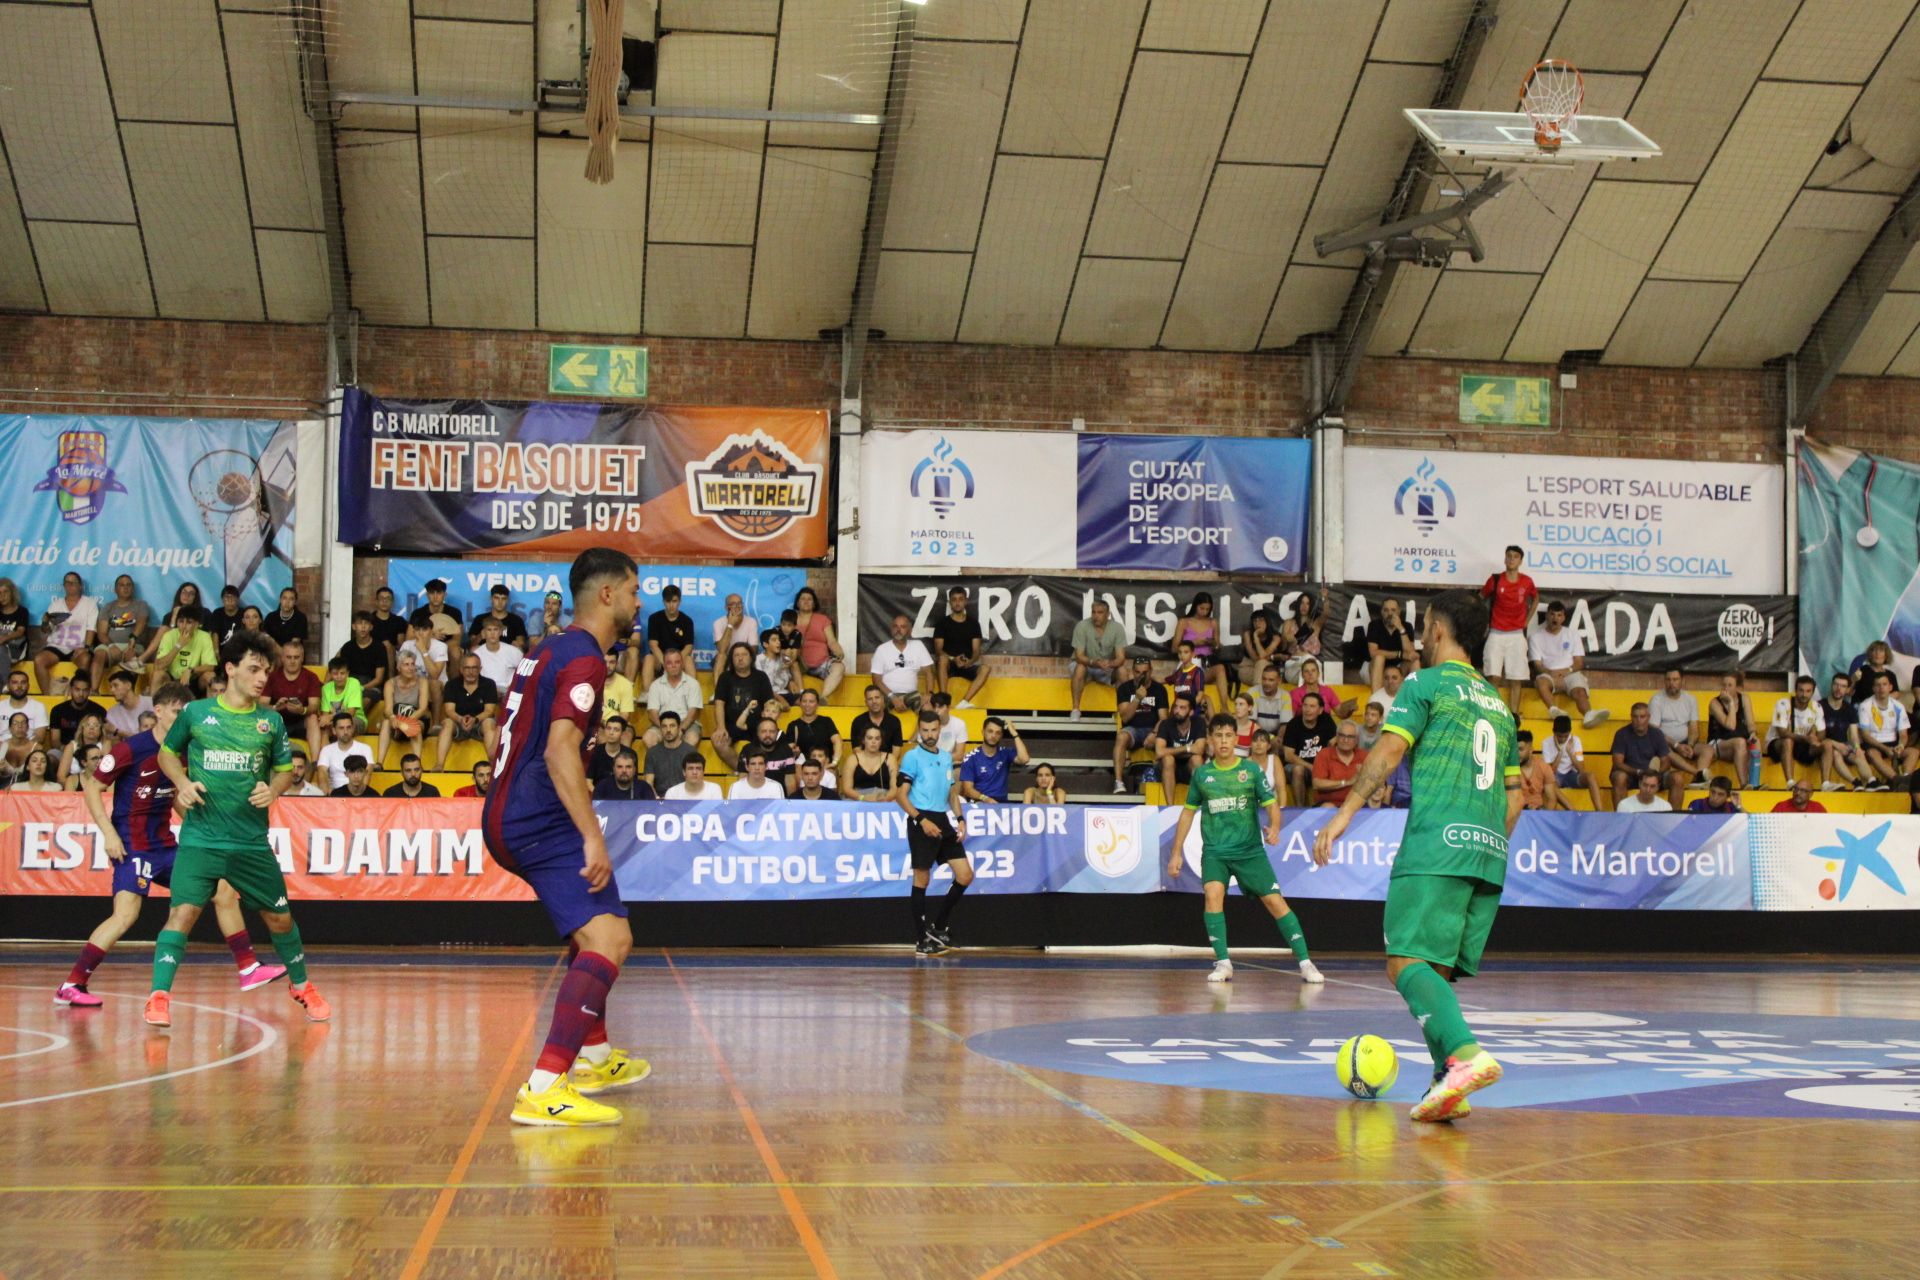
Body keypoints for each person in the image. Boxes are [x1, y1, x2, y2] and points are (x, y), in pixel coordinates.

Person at [1313, 588, 1518, 1123]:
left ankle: (1467, 1055)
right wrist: (1488, 842)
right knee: (1435, 970)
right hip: (1488, 850)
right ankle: (1447, 1082)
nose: (1421, 636)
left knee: (1403, 961)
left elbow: (1389, 747)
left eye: (1425, 626)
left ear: (1438, 632)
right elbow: (1518, 794)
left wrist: (1343, 813)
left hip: (1436, 843)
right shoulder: (1500, 705)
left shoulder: (1424, 684)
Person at [483, 547, 651, 1127]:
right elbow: (559, 749)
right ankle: (545, 1085)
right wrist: (591, 837)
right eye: (633, 589)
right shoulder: (585, 659)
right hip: (535, 818)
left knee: (595, 929)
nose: (638, 600)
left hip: (514, 808)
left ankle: (597, 1057)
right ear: (607, 595)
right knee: (611, 940)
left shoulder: (549, 648)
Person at [58, 682, 286, 1007]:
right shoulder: (131, 749)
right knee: (125, 916)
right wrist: (108, 834)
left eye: (186, 713)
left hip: (165, 847)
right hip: (133, 846)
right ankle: (73, 983)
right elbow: (93, 786)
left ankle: (248, 967)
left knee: (222, 889)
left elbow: (175, 798)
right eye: (178, 712)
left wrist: (199, 819)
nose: (183, 718)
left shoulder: (180, 751)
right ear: (160, 712)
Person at [143, 632, 329, 1028]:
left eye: (266, 670)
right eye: (254, 669)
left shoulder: (271, 721)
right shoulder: (196, 714)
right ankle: (159, 996)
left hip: (249, 841)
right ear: (230, 669)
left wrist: (273, 789)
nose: (263, 678)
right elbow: (166, 753)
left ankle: (301, 985)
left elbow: (282, 771)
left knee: (280, 920)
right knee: (182, 914)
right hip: (201, 838)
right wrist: (182, 783)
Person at [1169, 713, 1323, 986]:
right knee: (1212, 894)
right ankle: (1223, 963)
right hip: (1216, 851)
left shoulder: (1250, 770)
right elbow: (1187, 814)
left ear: (1236, 738)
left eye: (1229, 735)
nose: (1224, 741)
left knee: (1276, 903)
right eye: (1219, 735)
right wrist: (1176, 852)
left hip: (1250, 851)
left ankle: (1305, 962)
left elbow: (1271, 804)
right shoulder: (1203, 774)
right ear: (1212, 739)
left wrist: (1275, 827)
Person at [894, 710, 972, 956]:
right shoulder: (911, 757)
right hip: (921, 818)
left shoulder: (947, 757)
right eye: (925, 730)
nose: (929, 735)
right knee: (922, 879)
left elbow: (951, 793)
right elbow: (900, 795)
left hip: (942, 818)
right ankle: (920, 939)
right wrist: (921, 820)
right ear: (919, 730)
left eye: (933, 730)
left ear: (940, 730)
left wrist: (960, 818)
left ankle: (938, 927)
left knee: (965, 875)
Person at [1528, 601, 1608, 728]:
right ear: (1547, 616)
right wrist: (1549, 673)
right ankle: (1554, 710)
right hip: (1549, 675)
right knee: (1541, 681)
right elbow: (1537, 664)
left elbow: (1579, 662)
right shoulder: (1535, 637)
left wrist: (1566, 671)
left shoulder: (1572, 635)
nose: (1555, 618)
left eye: (1559, 615)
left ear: (1564, 618)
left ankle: (1588, 715)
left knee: (1579, 691)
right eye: (1552, 614)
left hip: (1569, 673)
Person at [1479, 545, 1537, 713]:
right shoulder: (1495, 580)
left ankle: (1513, 715)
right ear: (1505, 559)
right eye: (1509, 556)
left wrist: (1527, 619)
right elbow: (1481, 598)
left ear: (1520, 561)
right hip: (1496, 633)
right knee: (1493, 676)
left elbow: (1536, 598)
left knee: (1516, 677)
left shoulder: (1527, 581)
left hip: (1517, 635)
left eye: (1515, 556)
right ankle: (1493, 712)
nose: (1511, 559)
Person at [1767, 675, 1839, 790]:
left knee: (1827, 744)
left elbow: (1822, 734)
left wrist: (1814, 737)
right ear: (1795, 690)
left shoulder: (1817, 707)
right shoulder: (1783, 704)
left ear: (1812, 692)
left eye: (1808, 691)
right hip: (1778, 746)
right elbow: (1782, 733)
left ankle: (1826, 784)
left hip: (1802, 746)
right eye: (1801, 690)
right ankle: (1790, 783)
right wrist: (1806, 738)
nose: (1804, 694)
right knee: (1788, 741)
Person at [1109, 657, 1169, 794]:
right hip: (1133, 730)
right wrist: (1137, 699)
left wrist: (1154, 733)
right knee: (1121, 737)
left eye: (1145, 672)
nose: (1141, 675)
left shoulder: (1159, 689)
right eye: (1138, 672)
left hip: (1153, 729)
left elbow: (1164, 719)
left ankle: (1156, 776)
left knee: (1165, 736)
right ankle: (1118, 782)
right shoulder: (1125, 688)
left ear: (1151, 671)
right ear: (1132, 672)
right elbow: (1125, 717)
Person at [1648, 669, 1705, 804]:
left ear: (1682, 681)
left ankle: (1699, 781)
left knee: (1707, 750)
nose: (1671, 683)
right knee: (1665, 750)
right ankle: (1698, 773)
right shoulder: (1656, 700)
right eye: (1668, 680)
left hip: (1685, 742)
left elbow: (1694, 728)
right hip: (1665, 743)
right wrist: (1676, 745)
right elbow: (1655, 731)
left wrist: (1690, 745)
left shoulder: (1691, 699)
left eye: (1675, 680)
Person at [38, 571, 99, 694]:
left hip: (78, 646)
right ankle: (47, 696)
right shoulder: (56, 604)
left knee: (86, 659)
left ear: (80, 585)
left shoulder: (89, 603)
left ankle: (79, 695)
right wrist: (44, 622)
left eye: (73, 582)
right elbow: (46, 630)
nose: (70, 585)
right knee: (39, 660)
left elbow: (91, 628)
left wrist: (86, 648)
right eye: (67, 582)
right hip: (57, 645)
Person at [712, 641, 775, 759]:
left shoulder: (761, 677)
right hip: (731, 725)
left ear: (751, 658)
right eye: (736, 655)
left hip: (757, 726)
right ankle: (742, 769)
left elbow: (769, 703)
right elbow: (719, 704)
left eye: (744, 654)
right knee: (718, 742)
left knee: (770, 740)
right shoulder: (725, 677)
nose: (740, 658)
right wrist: (721, 727)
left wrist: (767, 725)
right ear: (732, 659)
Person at [435, 654, 500, 770]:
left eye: (474, 668)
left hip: (480, 723)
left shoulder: (489, 684)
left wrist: (475, 719)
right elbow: (449, 710)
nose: (471, 672)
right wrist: (460, 719)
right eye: (467, 668)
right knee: (447, 723)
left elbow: (489, 711)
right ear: (461, 669)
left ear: (480, 669)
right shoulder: (451, 685)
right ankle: (439, 765)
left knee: (489, 722)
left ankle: (494, 766)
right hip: (458, 722)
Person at [932, 586, 991, 710]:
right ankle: (944, 700)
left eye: (960, 599)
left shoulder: (973, 623)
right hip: (948, 663)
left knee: (985, 668)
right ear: (950, 603)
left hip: (966, 664)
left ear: (966, 601)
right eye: (954, 599)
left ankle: (964, 702)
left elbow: (976, 651)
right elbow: (938, 650)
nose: (957, 602)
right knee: (942, 659)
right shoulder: (942, 623)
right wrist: (953, 659)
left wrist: (970, 661)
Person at [1855, 670, 1917, 787]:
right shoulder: (1865, 706)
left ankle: (1906, 778)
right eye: (1878, 685)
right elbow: (1865, 735)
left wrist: (1901, 745)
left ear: (1890, 687)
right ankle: (1896, 780)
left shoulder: (1898, 706)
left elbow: (1903, 734)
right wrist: (1884, 748)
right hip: (1874, 743)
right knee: (1872, 753)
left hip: (1893, 743)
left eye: (1884, 684)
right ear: (1873, 688)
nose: (1881, 688)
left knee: (1913, 752)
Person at [1174, 592, 1230, 714]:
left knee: (1220, 668)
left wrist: (1213, 643)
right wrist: (1194, 643)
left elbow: (1217, 646)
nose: (1204, 612)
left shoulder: (1213, 622)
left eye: (1207, 609)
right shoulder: (1184, 622)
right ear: (1195, 606)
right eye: (1202, 608)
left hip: (1206, 663)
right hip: (1189, 664)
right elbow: (1174, 647)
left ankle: (1225, 707)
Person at [264, 637, 322, 755]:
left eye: (296, 657)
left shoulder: (311, 677)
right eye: (288, 657)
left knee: (313, 718)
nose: (292, 661)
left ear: (302, 658)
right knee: (263, 719)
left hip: (301, 721)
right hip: (277, 721)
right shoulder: (272, 677)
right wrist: (275, 707)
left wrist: (302, 710)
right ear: (282, 658)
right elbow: (261, 705)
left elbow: (314, 706)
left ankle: (315, 764)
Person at [1069, 600, 1126, 720]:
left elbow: (1121, 658)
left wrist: (1109, 663)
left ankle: (1123, 710)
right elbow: (1079, 656)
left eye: (1100, 612)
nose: (1096, 616)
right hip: (1086, 666)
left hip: (1106, 668)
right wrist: (1094, 662)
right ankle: (1075, 710)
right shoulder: (1082, 626)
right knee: (1080, 667)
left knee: (1122, 671)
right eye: (1093, 612)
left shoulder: (1117, 628)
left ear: (1108, 614)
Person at [89, 575, 150, 687]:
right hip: (110, 645)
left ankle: (128, 693)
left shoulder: (141, 605)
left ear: (133, 589)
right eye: (121, 585)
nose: (125, 588)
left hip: (133, 645)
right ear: (115, 589)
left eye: (128, 585)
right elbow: (101, 633)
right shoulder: (108, 607)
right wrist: (111, 645)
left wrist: (132, 640)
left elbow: (141, 623)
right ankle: (94, 691)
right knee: (99, 654)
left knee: (132, 655)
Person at [1609, 704, 1671, 810]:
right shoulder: (1621, 734)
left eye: (1642, 716)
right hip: (1630, 775)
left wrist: (1656, 774)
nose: (1638, 720)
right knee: (1619, 777)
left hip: (1653, 775)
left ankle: (1674, 819)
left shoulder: (1657, 734)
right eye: (1635, 716)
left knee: (1677, 779)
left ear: (1648, 717)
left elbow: (1666, 761)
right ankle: (1620, 819)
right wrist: (1638, 772)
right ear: (1631, 717)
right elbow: (1618, 763)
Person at [1281, 692, 1337, 807]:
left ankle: (1328, 807)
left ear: (1320, 710)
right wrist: (1311, 767)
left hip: (1320, 765)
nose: (1307, 709)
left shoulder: (1326, 720)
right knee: (1298, 770)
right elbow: (1288, 756)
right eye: (1305, 705)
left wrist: (1322, 765)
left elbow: (1334, 743)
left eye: (1312, 706)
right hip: (1296, 766)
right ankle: (1299, 810)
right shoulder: (1293, 724)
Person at [642, 648, 705, 748]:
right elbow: (652, 714)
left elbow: (693, 714)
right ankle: (662, 764)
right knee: (648, 738)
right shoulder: (655, 685)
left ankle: (682, 764)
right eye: (669, 663)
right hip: (662, 724)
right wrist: (664, 728)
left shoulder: (693, 684)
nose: (674, 666)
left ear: (682, 664)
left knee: (692, 738)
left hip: (687, 725)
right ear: (664, 665)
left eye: (677, 662)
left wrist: (680, 729)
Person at [1702, 672, 1754, 792]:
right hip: (1717, 744)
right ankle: (1744, 784)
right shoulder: (1714, 703)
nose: (1726, 688)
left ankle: (1754, 783)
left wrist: (1753, 734)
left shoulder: (1744, 699)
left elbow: (1751, 724)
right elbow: (1730, 725)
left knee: (1755, 744)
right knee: (1740, 742)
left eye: (1730, 685)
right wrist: (1730, 703)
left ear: (1738, 688)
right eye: (1724, 685)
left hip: (1736, 744)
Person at [872, 614, 934, 712]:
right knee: (877, 708)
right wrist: (892, 697)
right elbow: (876, 680)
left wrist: (929, 694)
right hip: (888, 695)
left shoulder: (918, 646)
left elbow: (929, 672)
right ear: (891, 629)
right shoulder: (882, 649)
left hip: (912, 695)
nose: (898, 629)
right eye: (895, 626)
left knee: (928, 709)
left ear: (910, 630)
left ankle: (920, 728)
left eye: (903, 627)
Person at [958, 717, 1029, 803]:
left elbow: (1024, 759)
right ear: (983, 732)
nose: (993, 736)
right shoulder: (971, 757)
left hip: (1002, 804)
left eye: (997, 733)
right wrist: (985, 798)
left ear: (1001, 735)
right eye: (990, 731)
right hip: (980, 802)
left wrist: (1014, 734)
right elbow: (968, 790)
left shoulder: (1005, 752)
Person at [792, 586, 846, 699]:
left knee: (839, 668)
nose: (806, 601)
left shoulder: (823, 619)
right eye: (803, 599)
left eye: (809, 599)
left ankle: (822, 698)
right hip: (799, 665)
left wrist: (839, 652)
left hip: (822, 664)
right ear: (797, 603)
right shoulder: (791, 620)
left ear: (814, 603)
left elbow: (832, 641)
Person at [1541, 714, 1605, 810]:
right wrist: (1560, 752)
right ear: (1554, 732)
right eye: (1559, 736)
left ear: (1570, 732)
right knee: (1549, 784)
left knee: (1591, 777)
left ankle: (1600, 812)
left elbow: (1582, 770)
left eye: (1565, 736)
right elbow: (1551, 772)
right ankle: (1572, 810)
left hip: (1572, 774)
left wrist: (1571, 754)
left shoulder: (1575, 740)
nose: (1562, 739)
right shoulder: (1546, 743)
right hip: (1556, 777)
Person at [151, 605, 217, 697]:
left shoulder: (204, 636)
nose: (184, 626)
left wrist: (190, 670)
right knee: (158, 675)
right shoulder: (169, 636)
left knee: (210, 676)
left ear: (197, 624)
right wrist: (179, 645)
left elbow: (210, 667)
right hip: (172, 679)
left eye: (189, 622)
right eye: (181, 622)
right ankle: (153, 710)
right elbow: (159, 666)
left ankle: (212, 710)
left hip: (193, 678)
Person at [782, 689, 842, 784]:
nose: (807, 704)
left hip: (824, 765)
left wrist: (834, 762)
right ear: (800, 703)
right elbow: (789, 749)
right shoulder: (793, 725)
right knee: (795, 773)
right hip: (803, 767)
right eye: (804, 701)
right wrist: (794, 753)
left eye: (811, 701)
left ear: (817, 704)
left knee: (832, 772)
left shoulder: (826, 721)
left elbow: (837, 741)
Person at [1150, 692, 1205, 795]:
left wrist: (1171, 751)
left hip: (1188, 768)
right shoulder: (1165, 724)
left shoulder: (1199, 723)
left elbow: (1200, 749)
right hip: (1166, 769)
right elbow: (1159, 752)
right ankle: (1170, 808)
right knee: (1168, 759)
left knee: (1197, 759)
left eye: (1182, 708)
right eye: (1176, 707)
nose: (1177, 711)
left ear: (1191, 712)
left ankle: (1198, 806)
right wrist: (1187, 748)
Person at [641, 583, 694, 687]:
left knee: (688, 660)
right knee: (648, 658)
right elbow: (653, 644)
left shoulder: (687, 621)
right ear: (663, 602)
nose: (671, 605)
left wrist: (675, 661)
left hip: (679, 658)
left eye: (674, 601)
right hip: (660, 659)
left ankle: (692, 693)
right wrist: (666, 662)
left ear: (679, 601)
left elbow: (689, 646)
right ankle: (647, 693)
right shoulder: (654, 618)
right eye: (668, 601)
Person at [1821, 672, 1868, 785]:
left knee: (1859, 755)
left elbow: (1854, 735)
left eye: (1843, 686)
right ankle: (1855, 782)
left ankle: (1872, 782)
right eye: (1836, 685)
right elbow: (1819, 738)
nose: (1838, 689)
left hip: (1844, 746)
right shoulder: (1820, 706)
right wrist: (1836, 745)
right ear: (1831, 685)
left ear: (1848, 690)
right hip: (1825, 748)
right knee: (1836, 753)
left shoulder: (1850, 709)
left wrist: (1857, 748)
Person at [333, 612, 389, 706]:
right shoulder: (348, 647)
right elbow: (336, 667)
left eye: (366, 623)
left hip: (371, 686)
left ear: (371, 627)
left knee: (365, 700)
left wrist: (361, 687)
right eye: (359, 623)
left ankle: (353, 719)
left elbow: (379, 679)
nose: (363, 627)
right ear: (354, 626)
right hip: (351, 682)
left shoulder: (379, 647)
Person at [1366, 597, 1420, 691]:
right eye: (1386, 610)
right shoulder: (1374, 625)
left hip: (1398, 670)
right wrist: (1400, 654)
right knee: (1379, 657)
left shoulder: (1406, 626)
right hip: (1377, 670)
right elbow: (1373, 653)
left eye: (1393, 610)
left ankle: (1415, 698)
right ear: (1381, 612)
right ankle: (1377, 699)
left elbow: (1410, 653)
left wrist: (1401, 628)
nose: (1390, 613)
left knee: (1415, 661)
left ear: (1399, 611)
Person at [1311, 721, 1368, 808]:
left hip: (1355, 805)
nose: (1345, 740)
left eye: (1350, 737)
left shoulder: (1364, 756)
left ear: (1357, 739)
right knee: (1328, 807)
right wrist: (1347, 782)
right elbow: (1317, 784)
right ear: (1336, 737)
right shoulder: (1324, 754)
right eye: (1342, 735)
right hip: (1328, 804)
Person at [639, 711, 697, 795]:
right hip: (659, 801)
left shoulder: (690, 751)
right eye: (664, 726)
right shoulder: (652, 752)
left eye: (672, 726)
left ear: (679, 727)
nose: (668, 730)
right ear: (660, 729)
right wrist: (658, 800)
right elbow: (649, 783)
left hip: (684, 800)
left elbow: (694, 782)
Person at [316, 711, 375, 791]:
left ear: (353, 728)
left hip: (357, 795)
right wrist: (327, 796)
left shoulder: (365, 749)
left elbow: (366, 775)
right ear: (334, 730)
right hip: (335, 795)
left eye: (348, 727)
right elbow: (322, 774)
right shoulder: (326, 750)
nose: (345, 732)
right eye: (341, 728)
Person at [408, 578, 464, 659]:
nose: (435, 596)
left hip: (446, 647)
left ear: (445, 595)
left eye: (439, 593)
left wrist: (439, 647)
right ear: (427, 595)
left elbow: (457, 639)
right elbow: (409, 638)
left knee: (456, 652)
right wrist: (431, 637)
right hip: (423, 646)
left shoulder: (455, 613)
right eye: (431, 593)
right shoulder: (417, 613)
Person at [466, 583, 529, 652]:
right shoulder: (480, 619)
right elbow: (471, 644)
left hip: (507, 655)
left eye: (503, 599)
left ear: (507, 600)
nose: (500, 602)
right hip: (484, 655)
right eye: (496, 598)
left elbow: (521, 644)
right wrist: (480, 636)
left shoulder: (516, 620)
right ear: (491, 599)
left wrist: (518, 645)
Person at [853, 683, 907, 763]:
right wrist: (869, 766)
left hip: (888, 764)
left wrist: (884, 766)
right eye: (870, 699)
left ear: (883, 699)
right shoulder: (858, 721)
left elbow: (896, 751)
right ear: (866, 702)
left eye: (877, 697)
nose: (874, 701)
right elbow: (857, 749)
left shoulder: (894, 721)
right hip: (865, 765)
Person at [841, 723, 896, 802]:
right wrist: (863, 798)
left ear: (881, 741)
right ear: (863, 740)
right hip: (857, 799)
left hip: (884, 798)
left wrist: (885, 798)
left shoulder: (890, 758)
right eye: (870, 738)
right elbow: (847, 789)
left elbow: (895, 788)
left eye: (877, 739)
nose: (873, 742)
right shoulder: (853, 759)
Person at [754, 628, 801, 715]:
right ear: (765, 644)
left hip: (784, 693)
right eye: (774, 640)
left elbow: (785, 677)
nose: (778, 642)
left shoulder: (782, 658)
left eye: (779, 639)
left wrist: (790, 682)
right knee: (784, 706)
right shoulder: (758, 660)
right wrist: (779, 698)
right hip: (768, 695)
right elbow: (761, 685)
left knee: (804, 702)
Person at [1237, 608, 1285, 694]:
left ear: (1267, 622)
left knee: (1262, 663)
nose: (1257, 623)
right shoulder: (1247, 634)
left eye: (1261, 620)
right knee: (1260, 668)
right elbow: (1254, 657)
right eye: (1255, 621)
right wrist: (1255, 635)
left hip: (1266, 670)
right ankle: (1260, 697)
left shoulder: (1275, 637)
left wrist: (1256, 639)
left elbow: (1263, 656)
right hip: (1248, 668)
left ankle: (1257, 697)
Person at [49, 673, 102, 748]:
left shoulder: (99, 711)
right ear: (70, 689)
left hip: (92, 750)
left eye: (85, 690)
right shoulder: (58, 710)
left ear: (89, 691)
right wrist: (68, 752)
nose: (81, 694)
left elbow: (104, 738)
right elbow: (55, 740)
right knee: (52, 753)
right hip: (64, 749)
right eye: (77, 689)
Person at [472, 616, 522, 693]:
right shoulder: (477, 654)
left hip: (508, 691)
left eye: (495, 629)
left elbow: (523, 671)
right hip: (485, 691)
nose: (492, 633)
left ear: (500, 632)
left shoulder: (513, 651)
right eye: (489, 630)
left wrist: (514, 686)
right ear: (484, 632)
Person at [710, 593, 759, 671]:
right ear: (727, 608)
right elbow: (721, 650)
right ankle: (719, 683)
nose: (738, 607)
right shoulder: (718, 623)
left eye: (740, 603)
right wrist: (730, 624)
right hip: (727, 657)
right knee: (720, 657)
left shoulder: (751, 621)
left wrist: (740, 656)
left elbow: (753, 649)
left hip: (744, 655)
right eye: (733, 604)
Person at [103, 670, 153, 743]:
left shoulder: (151, 703)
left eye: (115, 685)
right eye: (111, 687)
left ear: (128, 685)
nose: (112, 690)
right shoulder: (112, 713)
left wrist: (117, 731)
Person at [2, 669, 48, 747]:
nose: (19, 686)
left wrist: (22, 748)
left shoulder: (38, 707)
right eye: (15, 682)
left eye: (23, 682)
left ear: (28, 686)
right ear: (8, 686)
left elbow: (40, 737)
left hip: (28, 749)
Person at [368, 587, 411, 670]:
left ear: (392, 602)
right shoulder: (369, 620)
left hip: (392, 656)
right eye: (381, 598)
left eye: (388, 599)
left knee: (388, 646)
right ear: (376, 601)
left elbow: (401, 646)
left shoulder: (399, 621)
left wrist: (390, 647)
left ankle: (391, 679)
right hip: (371, 654)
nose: (384, 601)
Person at [319, 658, 367, 731]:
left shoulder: (354, 683)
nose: (339, 677)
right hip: (334, 721)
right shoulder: (326, 688)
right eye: (335, 674)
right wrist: (326, 720)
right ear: (330, 674)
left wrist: (331, 717)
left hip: (356, 719)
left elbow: (350, 713)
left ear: (347, 673)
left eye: (342, 673)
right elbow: (325, 715)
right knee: (324, 726)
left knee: (344, 725)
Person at [1514, 730, 1557, 810]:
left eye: (1520, 749)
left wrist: (1543, 817)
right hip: (1516, 812)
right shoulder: (1510, 768)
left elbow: (1551, 799)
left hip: (1538, 812)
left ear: (1531, 749)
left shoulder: (1544, 767)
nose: (1517, 754)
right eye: (1515, 750)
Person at [399, 617, 448, 684]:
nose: (421, 633)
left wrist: (423, 650)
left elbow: (435, 676)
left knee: (434, 683)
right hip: (413, 683)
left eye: (424, 629)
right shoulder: (407, 645)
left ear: (431, 632)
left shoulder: (441, 646)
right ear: (414, 632)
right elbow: (400, 671)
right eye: (417, 629)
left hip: (436, 684)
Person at [1168, 639, 1210, 713]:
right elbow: (1166, 680)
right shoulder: (1178, 672)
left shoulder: (1197, 671)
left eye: (1186, 652)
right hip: (1176, 711)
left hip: (1191, 712)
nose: (1182, 655)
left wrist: (1188, 709)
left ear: (1193, 654)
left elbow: (1200, 695)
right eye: (1180, 652)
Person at [0, 576, 32, 669]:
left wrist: (5, 638)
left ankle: (4, 683)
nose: (2, 596)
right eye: (0, 593)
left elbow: (20, 632)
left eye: (6, 592)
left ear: (12, 593)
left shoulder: (22, 611)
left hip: (15, 647)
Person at [1251, 664, 1291, 737]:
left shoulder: (1285, 696)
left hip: (1276, 734)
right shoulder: (1252, 692)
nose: (1266, 683)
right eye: (1264, 679)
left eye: (1271, 680)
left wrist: (1278, 739)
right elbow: (1250, 722)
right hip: (1256, 734)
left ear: (1279, 681)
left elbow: (1284, 725)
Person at [927, 691, 968, 760]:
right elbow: (924, 753)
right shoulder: (927, 724)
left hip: (951, 763)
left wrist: (940, 759)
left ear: (948, 707)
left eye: (940, 707)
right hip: (930, 763)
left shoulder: (959, 724)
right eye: (934, 707)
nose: (936, 710)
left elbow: (959, 755)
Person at [586, 717, 628, 784]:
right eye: (608, 728)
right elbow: (588, 782)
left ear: (622, 733)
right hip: (598, 792)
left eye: (616, 730)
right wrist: (599, 794)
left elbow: (633, 784)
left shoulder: (629, 754)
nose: (611, 732)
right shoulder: (595, 752)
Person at [1230, 692, 1258, 757]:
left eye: (1241, 704)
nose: (1237, 707)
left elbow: (1255, 754)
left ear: (1249, 707)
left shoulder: (1255, 729)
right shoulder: (1228, 725)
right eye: (1236, 704)